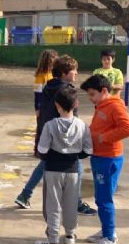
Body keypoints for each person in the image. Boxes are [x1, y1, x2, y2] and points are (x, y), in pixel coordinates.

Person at [23, 55, 97, 215]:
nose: (77, 73)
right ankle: (76, 203)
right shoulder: (68, 91)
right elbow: (72, 118)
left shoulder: (48, 87)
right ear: (64, 73)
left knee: (44, 164)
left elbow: (43, 112)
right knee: (76, 168)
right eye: (74, 70)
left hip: (48, 132)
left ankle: (24, 194)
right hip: (63, 137)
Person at [80, 74, 129, 244]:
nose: (90, 98)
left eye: (92, 94)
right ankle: (106, 230)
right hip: (99, 156)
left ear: (104, 91)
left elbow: (128, 129)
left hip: (108, 158)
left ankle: (110, 238)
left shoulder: (114, 106)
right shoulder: (101, 104)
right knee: (101, 198)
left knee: (104, 200)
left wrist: (104, 138)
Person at [34, 87, 92, 244]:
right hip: (73, 169)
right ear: (76, 104)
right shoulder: (82, 125)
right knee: (71, 202)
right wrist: (74, 155)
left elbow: (42, 150)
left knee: (53, 205)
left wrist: (53, 153)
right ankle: (70, 235)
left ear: (57, 105)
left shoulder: (50, 125)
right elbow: (88, 150)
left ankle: (53, 241)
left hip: (53, 169)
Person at [14, 49, 58, 209]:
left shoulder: (54, 76)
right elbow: (37, 96)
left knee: (47, 163)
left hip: (51, 115)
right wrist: (38, 110)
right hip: (47, 114)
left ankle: (26, 194)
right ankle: (26, 194)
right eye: (53, 60)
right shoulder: (42, 77)